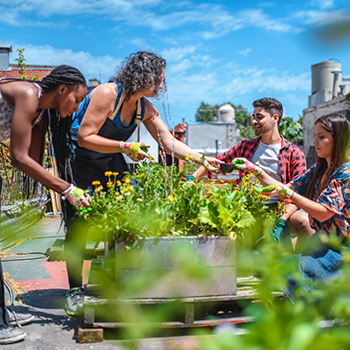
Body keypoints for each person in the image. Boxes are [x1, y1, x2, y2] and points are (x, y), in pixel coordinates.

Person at [64, 51, 223, 316]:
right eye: (160, 79)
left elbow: (168, 142)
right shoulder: (107, 94)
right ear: (145, 75)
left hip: (109, 161)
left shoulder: (144, 108)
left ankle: (122, 277)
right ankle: (74, 290)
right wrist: (125, 146)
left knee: (138, 209)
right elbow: (84, 137)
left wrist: (203, 159)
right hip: (80, 162)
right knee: (79, 225)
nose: (162, 85)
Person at [0, 65, 89, 344]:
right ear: (61, 89)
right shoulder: (28, 92)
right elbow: (18, 157)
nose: (75, 109)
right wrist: (67, 189)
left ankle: (3, 313)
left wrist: (68, 190)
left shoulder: (39, 113)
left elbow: (32, 163)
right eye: (76, 100)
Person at [233, 112, 350, 285]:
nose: (314, 142)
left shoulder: (345, 172)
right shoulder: (319, 170)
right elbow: (286, 189)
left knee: (295, 276)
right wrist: (256, 171)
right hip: (320, 241)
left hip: (340, 247)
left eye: (321, 137)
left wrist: (290, 195)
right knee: (279, 269)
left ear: (338, 139)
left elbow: (324, 213)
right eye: (315, 136)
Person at [191, 97, 313, 246]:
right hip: (249, 206)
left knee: (302, 220)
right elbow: (216, 161)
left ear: (275, 118)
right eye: (253, 117)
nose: (254, 121)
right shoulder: (245, 147)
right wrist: (191, 178)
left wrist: (280, 220)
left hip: (280, 209)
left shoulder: (294, 152)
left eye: (259, 117)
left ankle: (309, 256)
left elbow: (298, 192)